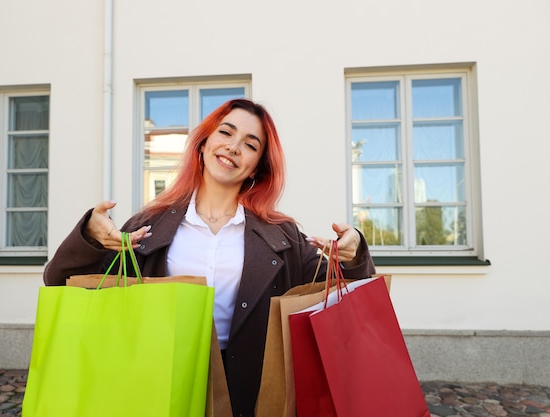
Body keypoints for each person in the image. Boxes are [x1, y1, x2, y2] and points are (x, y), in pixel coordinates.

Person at [43, 98, 376, 417]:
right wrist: (89, 235)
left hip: (251, 389)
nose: (233, 147)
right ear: (203, 144)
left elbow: (346, 296)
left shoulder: (284, 236)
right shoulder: (147, 227)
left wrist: (355, 249)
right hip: (161, 381)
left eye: (250, 144)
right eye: (226, 132)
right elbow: (61, 283)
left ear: (256, 169)